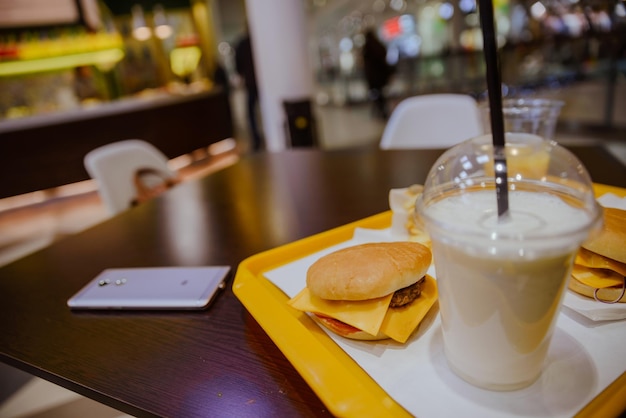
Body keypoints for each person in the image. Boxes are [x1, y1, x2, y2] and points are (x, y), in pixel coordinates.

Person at [235, 33, 263, 152]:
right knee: (254, 112)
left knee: (251, 113)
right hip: (259, 83)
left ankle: (257, 138)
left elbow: (238, 66)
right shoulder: (259, 40)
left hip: (251, 83)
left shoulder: (243, 44)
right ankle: (258, 137)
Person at [362, 29, 394, 119]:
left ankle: (380, 111)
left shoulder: (367, 48)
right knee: (380, 94)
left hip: (373, 77)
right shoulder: (377, 46)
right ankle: (381, 111)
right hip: (380, 76)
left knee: (377, 95)